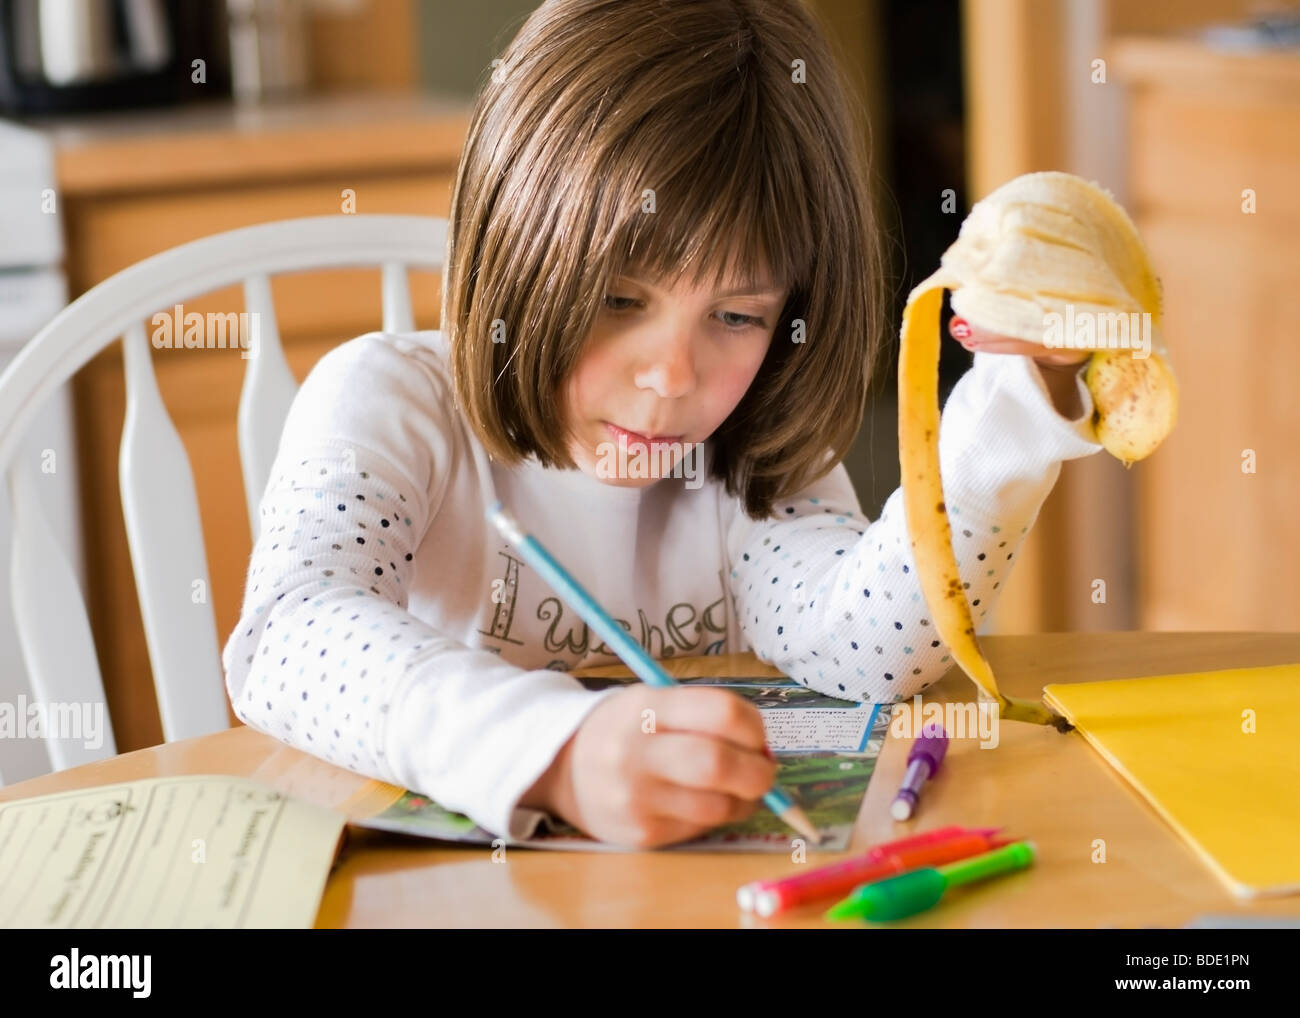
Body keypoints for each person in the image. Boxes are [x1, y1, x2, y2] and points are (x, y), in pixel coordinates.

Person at [221, 0, 1098, 849]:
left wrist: (1015, 408)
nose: (673, 376)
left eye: (738, 316)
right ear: (515, 248)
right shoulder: (387, 402)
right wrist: (558, 754)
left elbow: (867, 650)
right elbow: (288, 636)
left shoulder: (752, 448)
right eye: (617, 300)